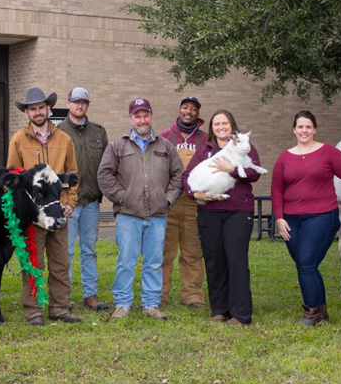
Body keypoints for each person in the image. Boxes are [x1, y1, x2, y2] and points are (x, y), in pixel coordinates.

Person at [271, 111, 341, 326]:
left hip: (321, 217)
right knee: (305, 265)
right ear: (294, 129)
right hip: (291, 220)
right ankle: (320, 309)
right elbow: (277, 189)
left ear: (315, 129)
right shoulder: (284, 157)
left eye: (308, 127)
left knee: (306, 263)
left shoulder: (328, 152)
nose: (304, 131)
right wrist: (279, 218)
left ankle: (312, 312)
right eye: (300, 127)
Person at [98, 98, 184, 320]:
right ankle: (123, 304)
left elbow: (178, 176)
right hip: (128, 215)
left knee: (154, 262)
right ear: (131, 118)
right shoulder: (118, 145)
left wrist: (168, 199)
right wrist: (122, 197)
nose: (142, 120)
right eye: (137, 116)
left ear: (151, 116)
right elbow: (104, 175)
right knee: (126, 261)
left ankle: (151, 304)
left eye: (145, 115)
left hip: (158, 214)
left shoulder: (165, 146)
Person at [7, 86, 80, 325]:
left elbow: (73, 176)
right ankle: (34, 311)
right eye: (32, 109)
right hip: (34, 215)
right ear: (27, 112)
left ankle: (60, 308)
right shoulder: (18, 140)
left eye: (41, 107)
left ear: (48, 108)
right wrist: (22, 212)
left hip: (58, 212)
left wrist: (69, 204)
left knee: (60, 264)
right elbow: (14, 178)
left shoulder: (65, 139)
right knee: (33, 263)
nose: (37, 112)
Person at [183, 109, 263, 326]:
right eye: (216, 124)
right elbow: (187, 176)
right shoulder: (205, 150)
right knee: (215, 260)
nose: (220, 127)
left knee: (236, 261)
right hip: (210, 212)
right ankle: (220, 310)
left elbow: (254, 174)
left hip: (238, 211)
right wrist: (193, 194)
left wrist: (232, 170)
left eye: (225, 123)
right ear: (212, 128)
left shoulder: (245, 148)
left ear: (232, 126)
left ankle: (240, 314)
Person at [57, 87, 111, 312]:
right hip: (67, 203)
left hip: (90, 201)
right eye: (76, 102)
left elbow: (107, 166)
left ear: (88, 105)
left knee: (89, 250)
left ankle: (90, 294)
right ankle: (64, 297)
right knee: (65, 251)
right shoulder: (58, 132)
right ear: (68, 103)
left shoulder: (98, 132)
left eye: (84, 102)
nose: (80, 106)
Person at [157, 96, 208, 309]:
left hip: (194, 203)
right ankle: (159, 294)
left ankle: (193, 295)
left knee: (193, 251)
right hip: (169, 202)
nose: (189, 111)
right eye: (185, 107)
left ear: (197, 113)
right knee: (163, 251)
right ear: (179, 110)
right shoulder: (164, 137)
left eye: (193, 108)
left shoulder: (206, 139)